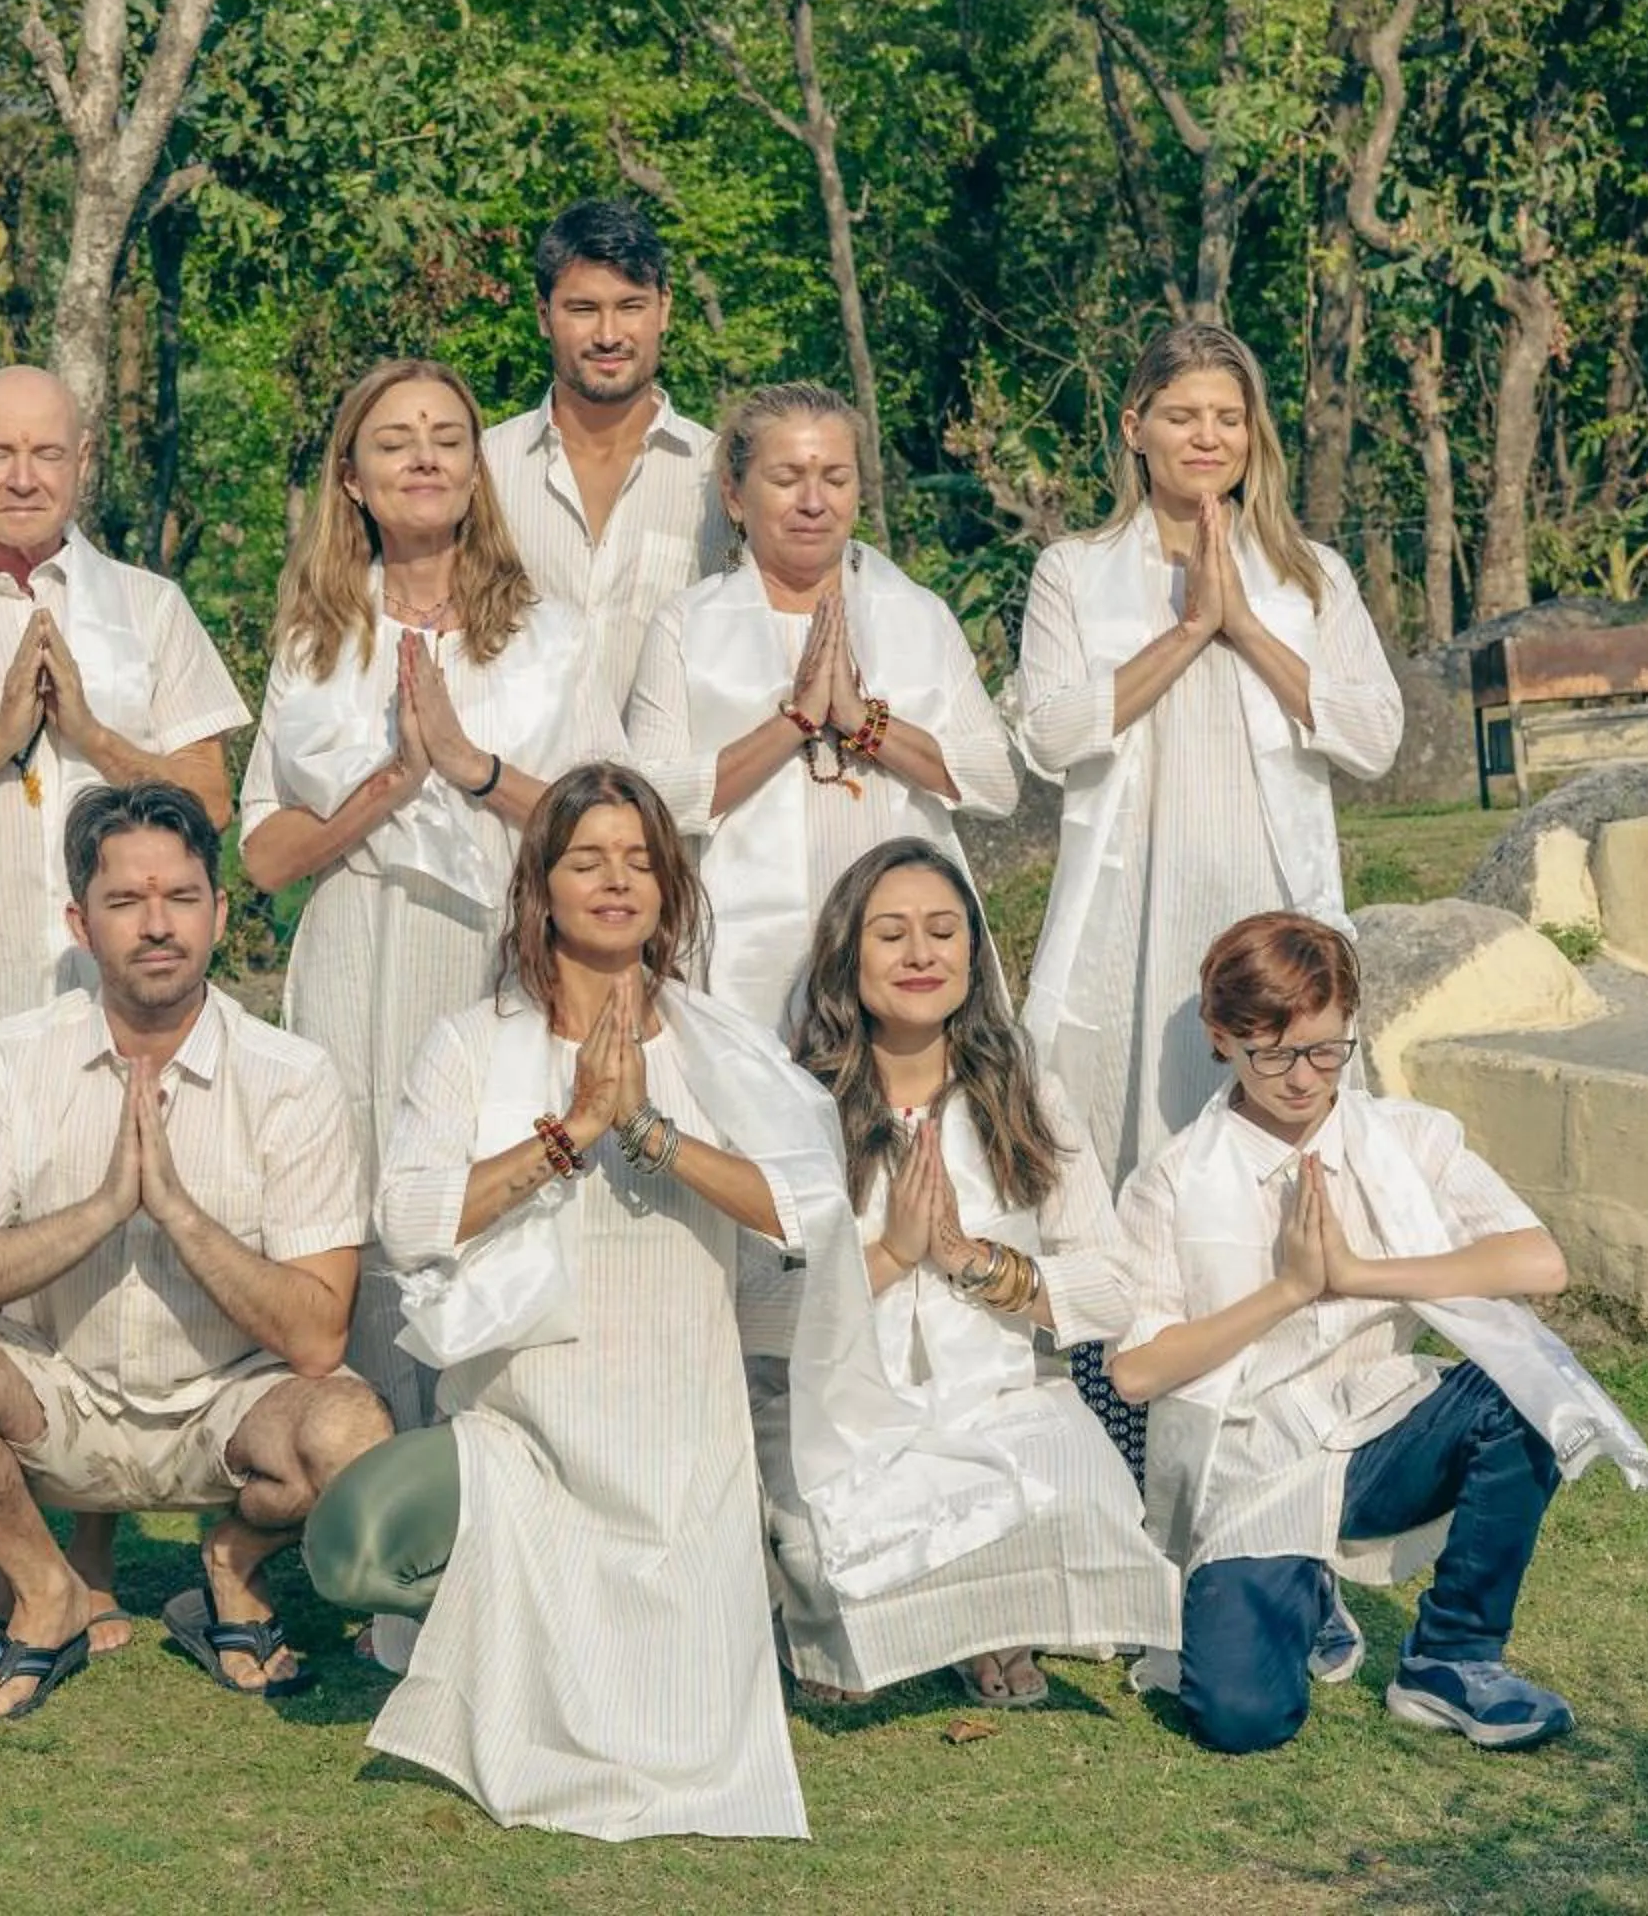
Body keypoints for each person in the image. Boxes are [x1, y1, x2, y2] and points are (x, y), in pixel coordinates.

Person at [303, 763, 849, 1842]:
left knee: (680, 1738)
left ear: (671, 886)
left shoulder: (717, 1044)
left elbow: (805, 1209)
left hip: (683, 1438)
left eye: (641, 860)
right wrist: (570, 1132)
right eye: (587, 858)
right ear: (539, 885)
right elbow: (410, 1218)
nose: (616, 880)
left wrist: (648, 1132)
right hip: (526, 1429)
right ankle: (493, 1613)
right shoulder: (469, 1042)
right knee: (350, 1547)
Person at [0, 782, 391, 1721]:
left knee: (351, 1432)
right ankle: (46, 1585)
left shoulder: (292, 1078)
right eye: (125, 902)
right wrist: (104, 1209)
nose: (157, 926)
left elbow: (318, 1338)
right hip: (58, 1399)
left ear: (219, 916)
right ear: (79, 922)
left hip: (227, 1410)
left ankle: (230, 1560)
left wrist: (178, 1213)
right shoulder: (13, 1058)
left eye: (182, 898)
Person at [0, 363, 253, 1661]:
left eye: (48, 452)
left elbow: (211, 800)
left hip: (114, 985)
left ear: (83, 457)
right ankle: (4, 1564)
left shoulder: (142, 607)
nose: (25, 475)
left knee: (103, 1260)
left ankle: (87, 1559)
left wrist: (91, 727)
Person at [1108, 913, 1648, 1755]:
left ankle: (1451, 1660)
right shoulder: (1172, 1182)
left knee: (1523, 1385)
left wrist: (1360, 1274)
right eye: (1273, 1053)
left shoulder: (1409, 1137)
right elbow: (1139, 1372)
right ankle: (1304, 1591)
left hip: (1380, 1428)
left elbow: (1537, 1262)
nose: (1303, 1078)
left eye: (1327, 1049)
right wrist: (1290, 1290)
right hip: (1257, 1463)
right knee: (1240, 1721)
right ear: (1220, 1038)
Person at [1008, 324, 1404, 1477]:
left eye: (1227, 417)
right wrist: (1189, 630)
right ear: (1134, 427)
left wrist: (1245, 627)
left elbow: (1372, 736)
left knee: (1278, 1170)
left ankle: (1284, 1473)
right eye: (1182, 414)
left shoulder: (1309, 573)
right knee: (1118, 1174)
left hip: (1270, 915)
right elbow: (1052, 732)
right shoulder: (1074, 573)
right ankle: (1116, 1474)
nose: (1207, 436)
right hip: (1128, 937)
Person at [241, 356, 625, 1438]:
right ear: (353, 478)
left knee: (499, 1180)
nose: (423, 455)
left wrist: (470, 767)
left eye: (448, 437)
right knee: (360, 1200)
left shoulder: (545, 634)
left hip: (501, 948)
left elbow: (610, 823)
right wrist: (388, 789)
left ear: (474, 472)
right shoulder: (318, 636)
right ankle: (373, 1490)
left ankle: (510, 1465)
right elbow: (266, 856)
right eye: (395, 438)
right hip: (357, 946)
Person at [750, 839, 1177, 1709]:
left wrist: (973, 1264)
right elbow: (750, 1310)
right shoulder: (793, 1105)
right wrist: (890, 1257)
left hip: (993, 1411)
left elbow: (1111, 1286)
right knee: (824, 1545)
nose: (920, 955)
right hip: (838, 1419)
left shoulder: (1021, 1092)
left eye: (943, 932)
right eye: (892, 934)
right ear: (847, 956)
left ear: (972, 958)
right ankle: (894, 1617)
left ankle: (977, 1622)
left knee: (1066, 1489)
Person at [629, 382, 1015, 1031]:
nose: (813, 501)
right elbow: (648, 801)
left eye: (835, 477)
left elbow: (994, 782)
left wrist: (866, 725)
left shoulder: (917, 615)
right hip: (751, 959)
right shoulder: (684, 628)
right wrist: (795, 724)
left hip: (912, 961)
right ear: (734, 494)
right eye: (786, 478)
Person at [481, 198, 735, 706]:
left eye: (629, 306)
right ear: (543, 316)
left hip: (668, 782)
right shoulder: (481, 468)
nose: (608, 335)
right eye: (582, 309)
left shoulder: (723, 476)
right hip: (509, 778)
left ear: (664, 309)